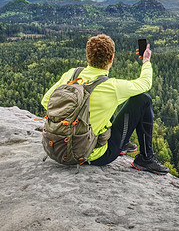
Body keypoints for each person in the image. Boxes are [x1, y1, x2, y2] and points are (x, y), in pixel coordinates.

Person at [41, 34, 169, 175]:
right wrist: (146, 61)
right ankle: (146, 158)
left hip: (57, 148)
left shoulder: (72, 74)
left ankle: (124, 145)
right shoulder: (111, 87)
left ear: (88, 56)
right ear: (111, 58)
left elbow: (46, 101)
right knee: (143, 99)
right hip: (93, 155)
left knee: (103, 106)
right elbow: (145, 83)